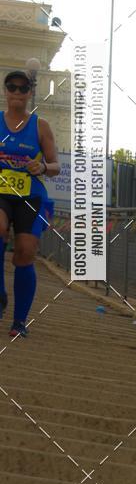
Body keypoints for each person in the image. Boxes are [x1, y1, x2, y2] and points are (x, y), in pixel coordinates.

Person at [0, 70, 59, 337]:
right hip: (1, 193)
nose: (16, 92)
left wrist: (43, 166)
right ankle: (0, 293)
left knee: (25, 251)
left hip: (30, 196)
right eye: (11, 87)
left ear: (29, 93)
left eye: (22, 88)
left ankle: (19, 321)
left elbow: (56, 165)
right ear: (5, 91)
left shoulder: (40, 126)